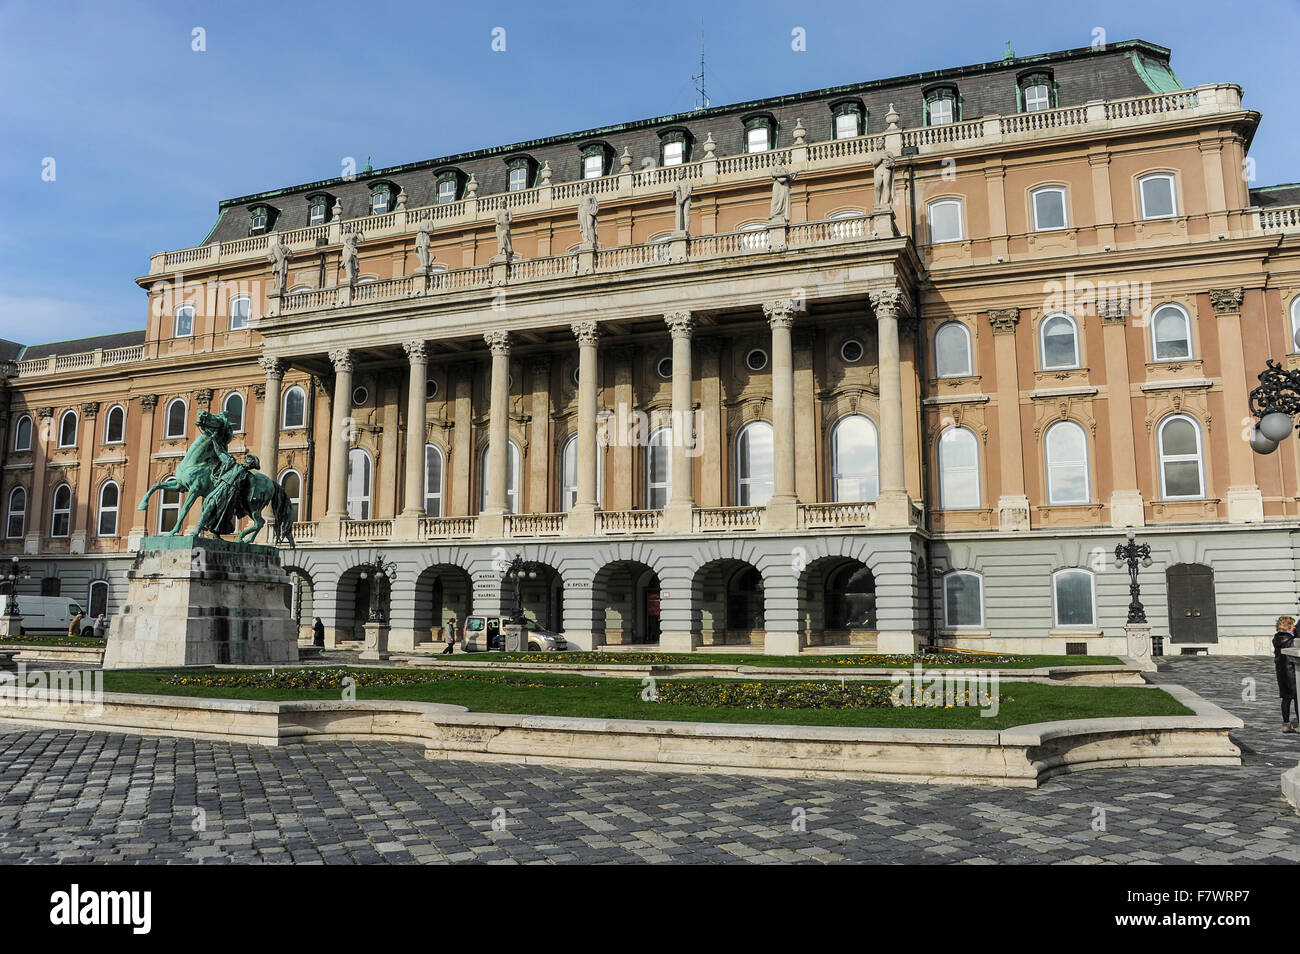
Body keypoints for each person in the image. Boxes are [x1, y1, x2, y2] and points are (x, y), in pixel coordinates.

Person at [1274, 615, 1298, 733]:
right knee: (1298, 698)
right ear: (1288, 627)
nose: (1294, 627)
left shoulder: (1276, 639)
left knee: (1286, 698)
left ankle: (1286, 724)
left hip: (1281, 672)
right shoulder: (1291, 640)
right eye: (1292, 625)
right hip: (1292, 672)